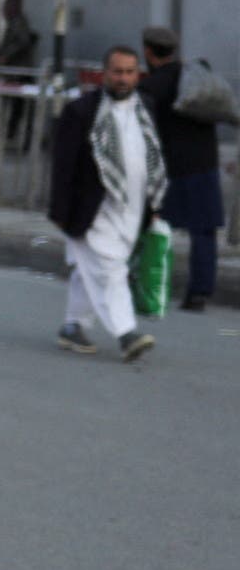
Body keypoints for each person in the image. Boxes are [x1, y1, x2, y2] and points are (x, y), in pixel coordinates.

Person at [49, 44, 164, 361]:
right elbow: (63, 164)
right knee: (108, 268)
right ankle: (127, 333)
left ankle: (72, 326)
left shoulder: (145, 108)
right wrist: (59, 210)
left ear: (137, 75)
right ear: (105, 73)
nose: (123, 78)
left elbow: (152, 158)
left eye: (129, 72)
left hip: (132, 208)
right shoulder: (82, 112)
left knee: (92, 269)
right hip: (92, 208)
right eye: (117, 72)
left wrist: (155, 206)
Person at [136, 25, 225, 311]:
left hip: (172, 169)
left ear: (148, 52)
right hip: (206, 164)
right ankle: (199, 293)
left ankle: (142, 282)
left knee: (149, 226)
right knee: (204, 232)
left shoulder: (152, 86)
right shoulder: (196, 77)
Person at [0, 0, 39, 72]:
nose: (3, 9)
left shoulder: (18, 22)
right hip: (18, 67)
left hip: (18, 68)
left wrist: (6, 55)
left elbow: (22, 42)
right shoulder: (14, 22)